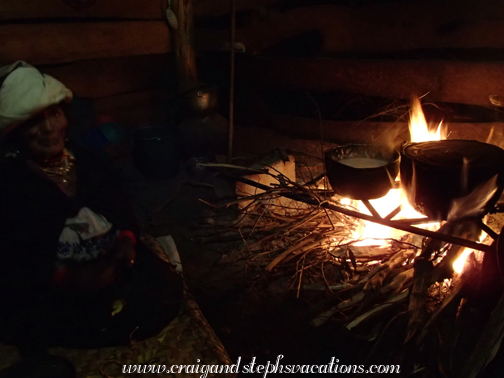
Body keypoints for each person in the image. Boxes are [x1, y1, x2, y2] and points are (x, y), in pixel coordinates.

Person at [0, 61, 183, 377]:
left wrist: (126, 242)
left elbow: (121, 210)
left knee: (152, 298)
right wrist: (69, 279)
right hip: (54, 294)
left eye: (53, 114)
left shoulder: (88, 161)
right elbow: (16, 262)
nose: (48, 128)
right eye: (33, 122)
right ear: (15, 133)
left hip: (114, 270)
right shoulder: (12, 184)